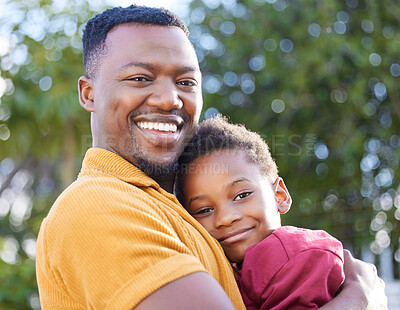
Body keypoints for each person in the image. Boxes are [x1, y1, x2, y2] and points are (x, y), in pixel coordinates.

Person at [35, 5, 387, 310]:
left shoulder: (173, 209)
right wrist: (360, 300)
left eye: (186, 82)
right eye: (140, 78)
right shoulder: (97, 204)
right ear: (89, 92)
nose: (168, 99)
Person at [176, 115, 345, 309]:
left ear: (279, 196)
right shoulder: (230, 268)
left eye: (242, 195)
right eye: (204, 209)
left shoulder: (291, 259)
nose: (226, 218)